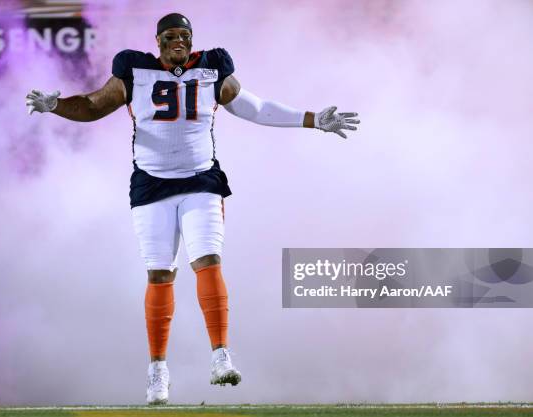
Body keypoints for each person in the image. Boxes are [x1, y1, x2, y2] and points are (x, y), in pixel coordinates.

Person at [25, 12, 359, 405]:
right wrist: (55, 105)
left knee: (208, 259)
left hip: (201, 180)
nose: (178, 41)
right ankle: (157, 370)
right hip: (151, 185)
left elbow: (254, 107)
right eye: (170, 36)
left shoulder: (211, 68)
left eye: (184, 35)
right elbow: (94, 105)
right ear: (158, 41)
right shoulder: (135, 70)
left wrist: (312, 119)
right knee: (160, 273)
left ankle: (220, 355)